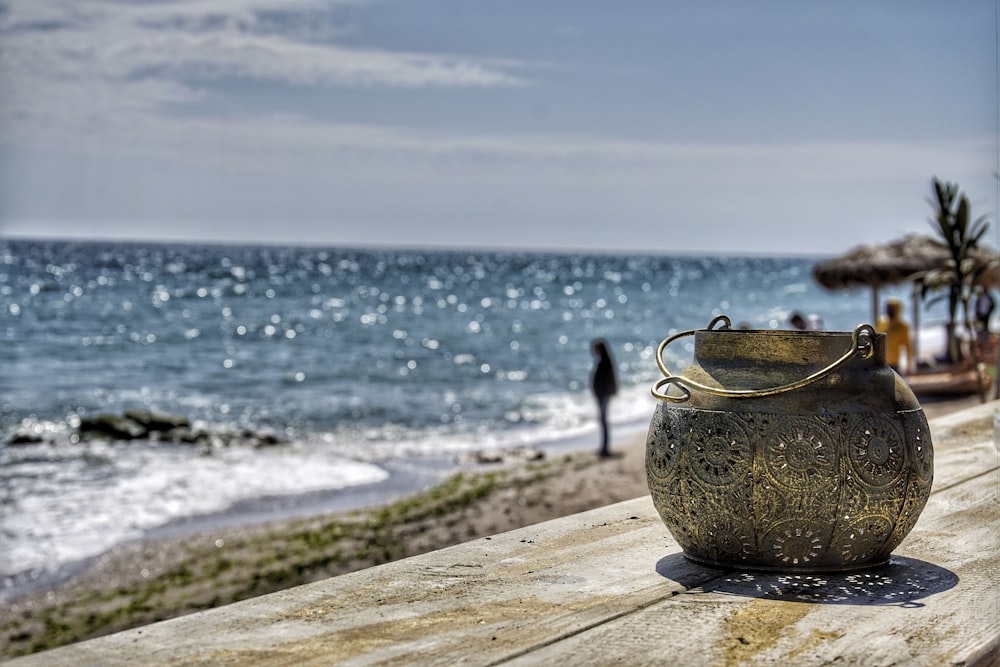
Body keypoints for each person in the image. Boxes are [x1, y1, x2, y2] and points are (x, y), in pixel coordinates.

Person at [590, 339, 618, 458]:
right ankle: (604, 447)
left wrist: (603, 395)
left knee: (603, 421)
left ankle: (605, 448)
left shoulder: (605, 363)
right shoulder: (603, 362)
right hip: (602, 396)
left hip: (604, 396)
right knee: (602, 421)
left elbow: (608, 382)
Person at [876, 298, 913, 374]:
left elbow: (908, 346)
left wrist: (909, 365)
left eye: (892, 308)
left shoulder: (902, 327)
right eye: (888, 307)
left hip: (894, 364)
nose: (889, 310)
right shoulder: (881, 323)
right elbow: (875, 341)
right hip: (880, 363)